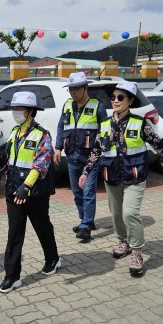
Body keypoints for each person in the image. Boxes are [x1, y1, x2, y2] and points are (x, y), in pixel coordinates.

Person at [79, 81, 163, 277]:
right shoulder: (104, 125)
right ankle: (123, 241)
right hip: (111, 177)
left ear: (130, 101)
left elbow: (159, 145)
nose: (116, 101)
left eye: (121, 97)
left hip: (135, 177)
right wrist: (86, 172)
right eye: (113, 98)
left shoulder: (140, 123)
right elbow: (96, 150)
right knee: (116, 214)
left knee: (130, 214)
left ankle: (137, 252)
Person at [0, 91, 60, 293]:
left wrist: (26, 186)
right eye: (14, 108)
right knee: (14, 233)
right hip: (13, 191)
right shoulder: (14, 132)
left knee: (42, 226)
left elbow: (41, 164)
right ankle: (12, 275)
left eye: (19, 109)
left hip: (34, 192)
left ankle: (53, 258)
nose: (15, 112)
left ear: (31, 111)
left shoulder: (42, 135)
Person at [54, 72, 108, 242]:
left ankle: (85, 225)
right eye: (70, 89)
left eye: (76, 89)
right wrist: (57, 148)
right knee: (77, 192)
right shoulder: (67, 106)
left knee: (88, 192)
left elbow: (105, 132)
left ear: (85, 88)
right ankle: (86, 219)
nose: (73, 92)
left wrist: (102, 152)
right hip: (72, 157)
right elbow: (61, 127)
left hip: (90, 159)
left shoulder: (98, 106)